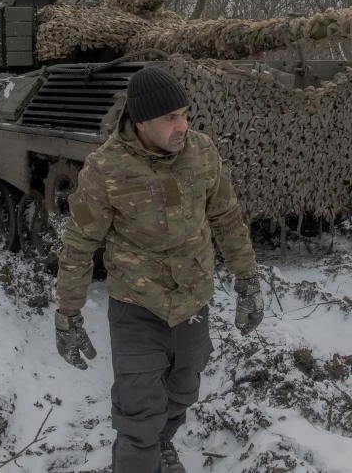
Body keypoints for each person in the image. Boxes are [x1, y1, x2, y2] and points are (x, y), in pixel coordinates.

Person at [53, 64, 264, 473]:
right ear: (141, 120)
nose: (182, 125)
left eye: (185, 114)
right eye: (171, 118)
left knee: (183, 390)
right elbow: (80, 241)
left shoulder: (203, 152)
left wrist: (248, 280)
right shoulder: (106, 168)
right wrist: (67, 311)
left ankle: (162, 441)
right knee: (138, 415)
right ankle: (143, 452)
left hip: (192, 301)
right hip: (136, 306)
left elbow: (226, 217)